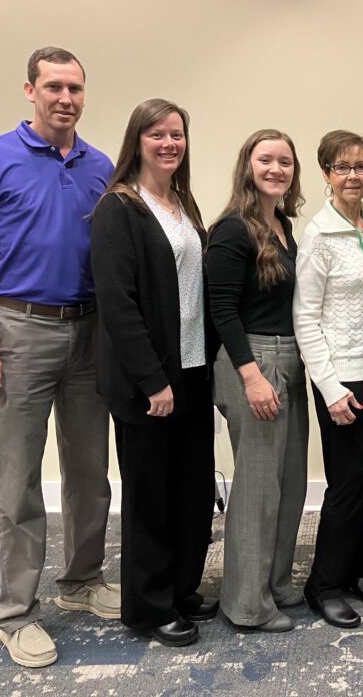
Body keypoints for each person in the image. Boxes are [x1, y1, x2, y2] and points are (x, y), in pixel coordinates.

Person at [0, 47, 117, 668]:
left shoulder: (101, 165)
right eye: (54, 87)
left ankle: (82, 581)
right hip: (19, 330)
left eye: (75, 88)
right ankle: (17, 612)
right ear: (30, 90)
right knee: (17, 478)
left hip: (90, 331)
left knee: (90, 470)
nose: (65, 98)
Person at [90, 98, 217, 647]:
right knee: (151, 497)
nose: (169, 143)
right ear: (137, 141)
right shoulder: (119, 207)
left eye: (177, 134)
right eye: (157, 134)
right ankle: (149, 606)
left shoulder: (182, 203)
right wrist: (152, 379)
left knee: (192, 490)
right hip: (150, 381)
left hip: (192, 370)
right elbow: (117, 304)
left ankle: (182, 589)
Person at [293, 130, 363, 628]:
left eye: (361, 166)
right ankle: (323, 585)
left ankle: (356, 569)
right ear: (326, 174)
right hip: (345, 379)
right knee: (349, 482)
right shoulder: (318, 236)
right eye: (343, 167)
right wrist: (331, 388)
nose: (353, 175)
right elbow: (304, 318)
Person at [207, 129, 308, 633]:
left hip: (290, 358)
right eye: (265, 160)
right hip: (252, 360)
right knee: (257, 489)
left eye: (285, 162)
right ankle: (246, 604)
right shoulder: (233, 229)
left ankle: (275, 581)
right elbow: (222, 309)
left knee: (290, 483)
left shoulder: (283, 225)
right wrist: (251, 377)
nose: (276, 169)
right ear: (247, 166)